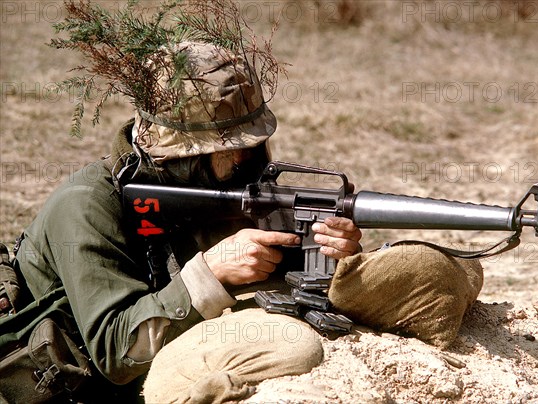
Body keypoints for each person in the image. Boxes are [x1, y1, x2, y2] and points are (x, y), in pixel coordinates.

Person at [7, 40, 362, 400]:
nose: (248, 157)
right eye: (232, 147)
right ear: (184, 154)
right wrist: (211, 272)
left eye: (253, 142)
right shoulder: (86, 205)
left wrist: (319, 248)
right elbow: (116, 354)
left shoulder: (204, 185)